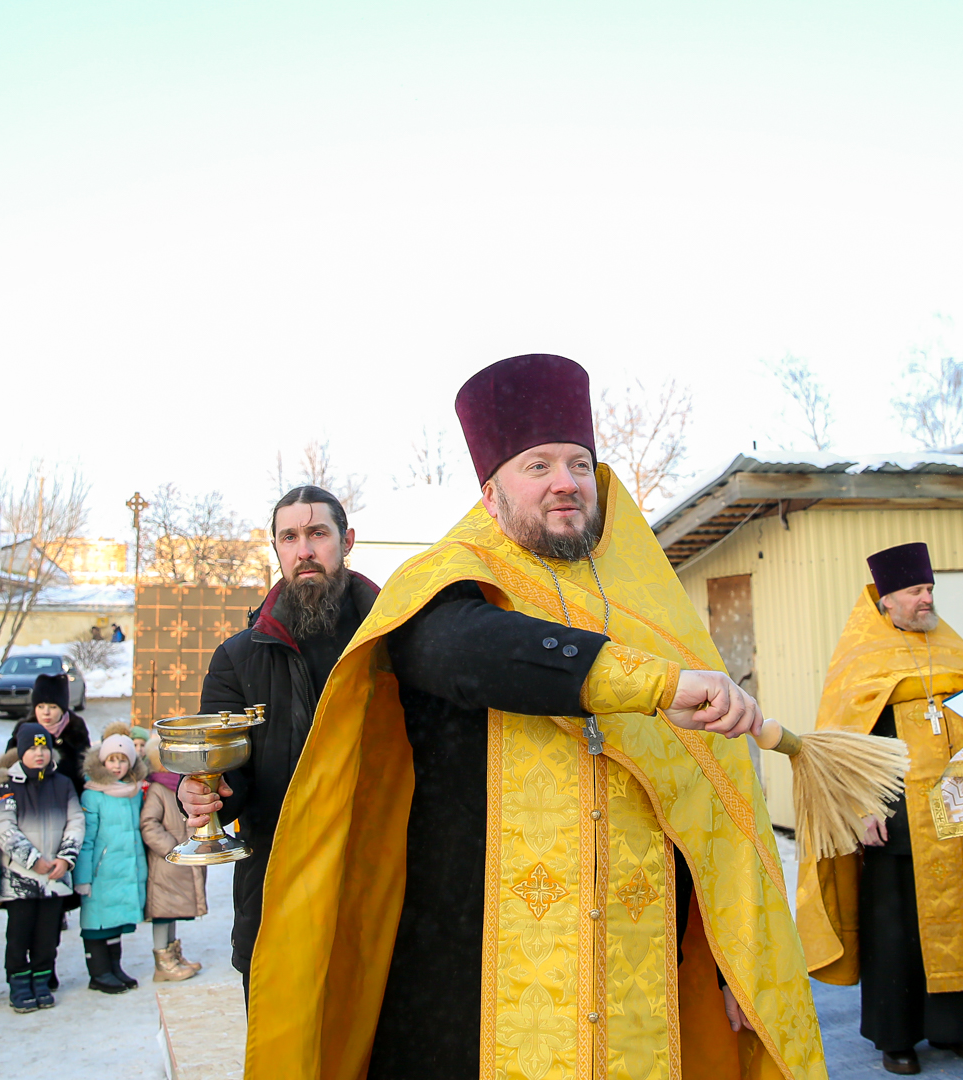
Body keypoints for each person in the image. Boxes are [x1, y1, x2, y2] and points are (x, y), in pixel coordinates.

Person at [186, 355, 827, 1080]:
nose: (566, 482)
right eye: (539, 465)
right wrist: (640, 681)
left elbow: (705, 805)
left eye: (581, 464)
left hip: (636, 977)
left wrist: (725, 957)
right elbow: (468, 654)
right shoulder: (442, 591)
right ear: (490, 495)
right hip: (464, 986)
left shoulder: (649, 615)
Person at [796, 543, 963, 1074]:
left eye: (929, 590)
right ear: (886, 600)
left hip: (962, 812)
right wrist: (861, 806)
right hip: (898, 817)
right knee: (896, 929)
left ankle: (960, 1028)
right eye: (915, 591)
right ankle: (896, 1037)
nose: (926, 600)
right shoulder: (860, 657)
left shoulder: (951, 647)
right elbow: (843, 739)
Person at [196, 484, 379, 1001]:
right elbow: (228, 774)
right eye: (289, 537)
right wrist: (206, 789)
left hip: (380, 880)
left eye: (318, 533)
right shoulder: (237, 659)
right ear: (275, 548)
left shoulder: (399, 640)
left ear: (346, 541)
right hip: (279, 886)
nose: (304, 550)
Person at [0, 722, 84, 1013]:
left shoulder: (62, 783)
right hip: (21, 879)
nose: (39, 753)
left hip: (55, 877)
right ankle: (19, 984)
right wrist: (33, 861)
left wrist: (65, 858)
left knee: (47, 937)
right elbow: (4, 828)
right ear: (21, 752)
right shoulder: (7, 786)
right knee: (19, 936)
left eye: (44, 747)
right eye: (32, 748)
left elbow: (75, 821)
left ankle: (42, 980)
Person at [76, 733, 148, 993]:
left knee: (115, 919)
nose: (117, 766)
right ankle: (98, 972)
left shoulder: (133, 792)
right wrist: (83, 877)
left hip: (126, 867)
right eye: (112, 760)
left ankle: (114, 967)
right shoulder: (92, 795)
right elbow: (87, 840)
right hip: (100, 870)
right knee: (96, 922)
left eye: (123, 760)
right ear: (102, 762)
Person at [140, 732, 204, 982]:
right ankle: (163, 962)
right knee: (163, 912)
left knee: (172, 910)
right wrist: (171, 848)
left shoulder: (179, 785)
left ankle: (174, 955)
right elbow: (149, 823)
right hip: (166, 863)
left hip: (179, 860)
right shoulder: (158, 788)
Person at [1, 673, 91, 795]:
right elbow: (8, 771)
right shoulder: (23, 733)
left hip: (68, 802)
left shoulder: (75, 732)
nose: (46, 712)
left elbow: (84, 775)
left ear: (62, 708)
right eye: (41, 706)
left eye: (53, 707)